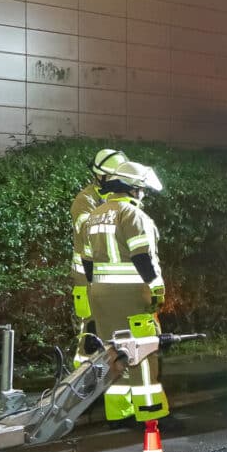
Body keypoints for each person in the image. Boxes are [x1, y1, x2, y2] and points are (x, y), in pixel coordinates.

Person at [82, 160, 172, 425]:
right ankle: (151, 413)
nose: (142, 194)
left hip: (99, 293)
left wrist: (96, 288)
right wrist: (156, 286)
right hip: (131, 295)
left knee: (114, 351)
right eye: (140, 189)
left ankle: (118, 414)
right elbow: (142, 256)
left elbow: (87, 262)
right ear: (132, 189)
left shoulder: (94, 216)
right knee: (142, 352)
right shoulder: (133, 215)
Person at [69, 149, 127, 368]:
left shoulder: (119, 199)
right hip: (88, 277)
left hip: (112, 278)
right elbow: (88, 234)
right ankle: (82, 380)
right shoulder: (85, 200)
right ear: (101, 176)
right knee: (91, 330)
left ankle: (111, 372)